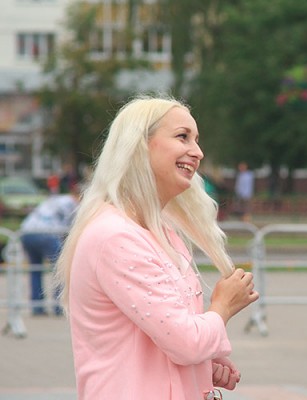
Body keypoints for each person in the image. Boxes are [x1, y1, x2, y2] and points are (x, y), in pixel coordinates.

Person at [53, 96, 259, 400]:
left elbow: (167, 334)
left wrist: (204, 361)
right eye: (182, 137)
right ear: (140, 146)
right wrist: (222, 307)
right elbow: (185, 342)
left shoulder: (160, 231)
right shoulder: (116, 236)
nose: (198, 152)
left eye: (197, 140)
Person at [20, 184, 80, 316]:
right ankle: (58, 307)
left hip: (26, 230)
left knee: (35, 269)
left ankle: (37, 306)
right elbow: (72, 225)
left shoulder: (55, 199)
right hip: (46, 233)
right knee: (60, 269)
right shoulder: (71, 203)